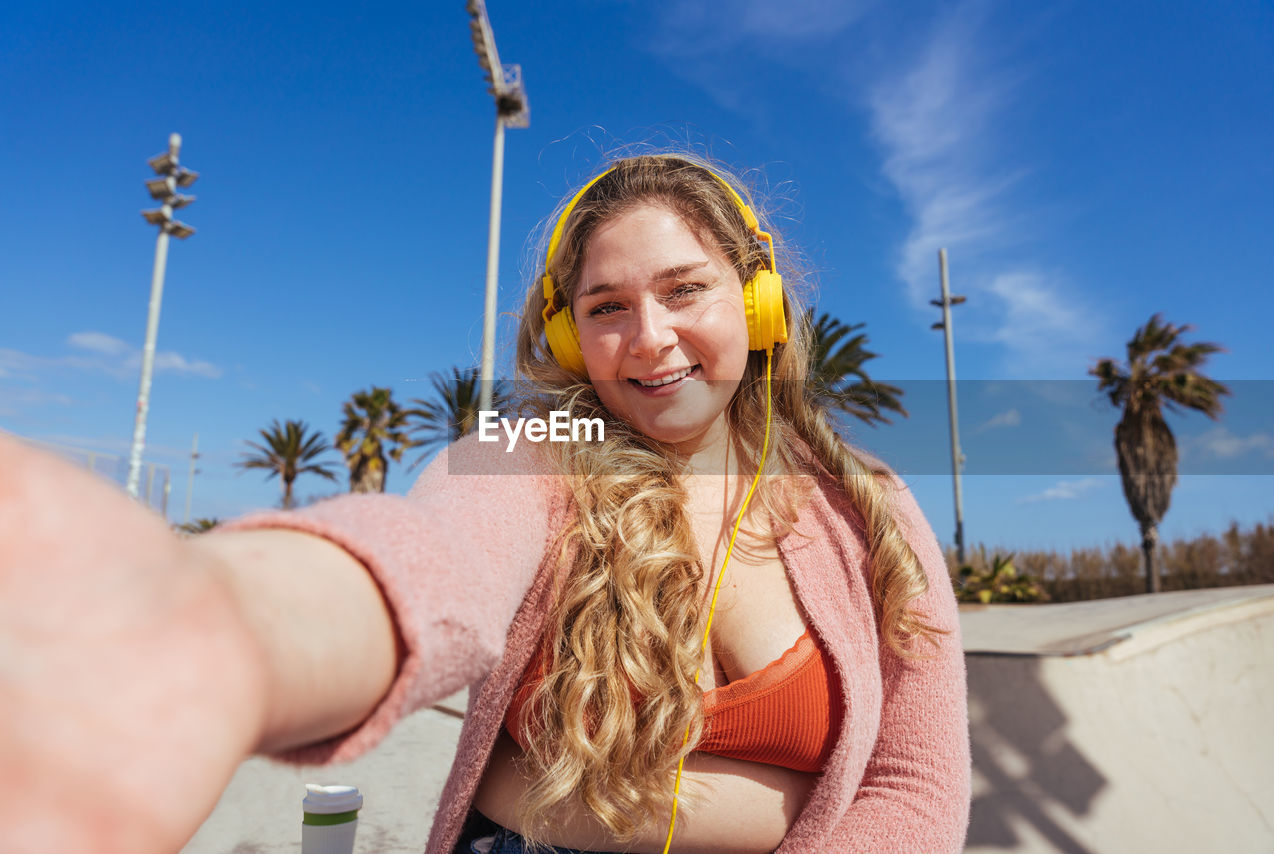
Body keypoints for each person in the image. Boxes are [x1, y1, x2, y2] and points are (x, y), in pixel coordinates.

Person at [0, 153, 969, 853]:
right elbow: (437, 560)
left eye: (685, 290)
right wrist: (232, 631)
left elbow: (917, 783)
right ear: (567, 334)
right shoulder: (541, 449)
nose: (649, 337)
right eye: (605, 306)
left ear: (755, 305)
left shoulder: (863, 505)